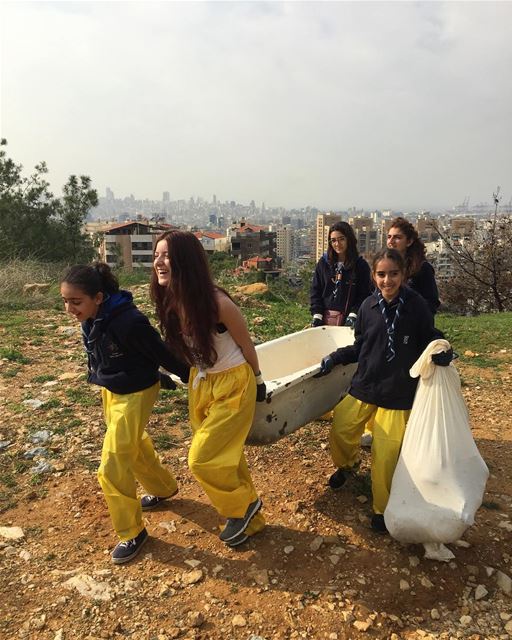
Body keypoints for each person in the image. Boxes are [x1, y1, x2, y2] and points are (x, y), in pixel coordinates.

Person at [60, 263, 189, 565]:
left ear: (99, 297)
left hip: (135, 393)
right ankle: (162, 487)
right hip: (113, 389)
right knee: (134, 446)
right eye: (65, 301)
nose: (69, 308)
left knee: (112, 466)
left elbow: (160, 351)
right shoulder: (93, 317)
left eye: (75, 301)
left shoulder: (128, 321)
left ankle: (132, 532)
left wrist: (189, 375)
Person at [316, 248, 452, 533]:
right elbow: (360, 346)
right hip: (365, 383)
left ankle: (381, 508)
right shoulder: (367, 307)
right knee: (341, 429)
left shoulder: (416, 306)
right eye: (381, 274)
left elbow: (432, 336)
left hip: (397, 390)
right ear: (373, 275)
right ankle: (348, 465)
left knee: (385, 454)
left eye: (393, 274)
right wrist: (336, 358)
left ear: (403, 275)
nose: (387, 281)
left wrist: (443, 351)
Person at [150, 230, 266, 548]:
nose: (159, 262)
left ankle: (242, 508)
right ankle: (252, 520)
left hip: (234, 383)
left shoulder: (217, 303)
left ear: (186, 262)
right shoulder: (170, 300)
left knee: (201, 458)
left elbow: (246, 344)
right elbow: (183, 349)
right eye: (156, 255)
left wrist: (257, 380)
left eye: (167, 256)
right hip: (203, 383)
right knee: (226, 456)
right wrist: (165, 371)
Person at [310, 221, 372, 327]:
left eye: (341, 239)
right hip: (325, 320)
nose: (337, 244)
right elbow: (316, 290)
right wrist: (317, 314)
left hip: (350, 322)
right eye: (333, 240)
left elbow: (364, 294)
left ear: (349, 239)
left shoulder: (360, 265)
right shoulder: (324, 263)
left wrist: (354, 314)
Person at [386, 217, 440, 314]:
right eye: (389, 237)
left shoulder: (422, 268)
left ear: (409, 241)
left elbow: (432, 302)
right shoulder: (385, 267)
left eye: (397, 237)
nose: (391, 241)